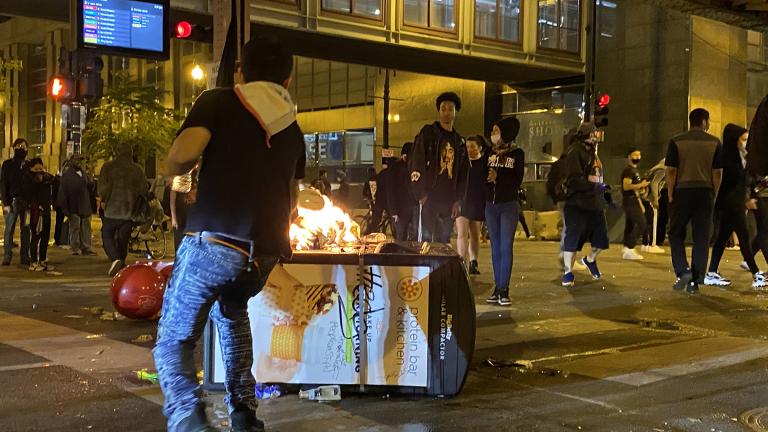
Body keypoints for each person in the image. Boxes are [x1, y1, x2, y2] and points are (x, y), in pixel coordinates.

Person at [153, 35, 306, 432]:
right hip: (265, 254)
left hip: (214, 242)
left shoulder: (217, 101)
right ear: (287, 80)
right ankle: (244, 414)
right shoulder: (293, 129)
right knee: (233, 316)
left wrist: (174, 169)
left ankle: (188, 417)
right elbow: (293, 198)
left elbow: (181, 156)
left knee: (173, 339)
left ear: (241, 71)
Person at [665, 108, 723, 294]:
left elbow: (671, 171)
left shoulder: (676, 141)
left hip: (682, 192)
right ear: (705, 122)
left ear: (691, 121)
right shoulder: (715, 142)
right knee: (701, 237)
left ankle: (683, 271)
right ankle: (695, 281)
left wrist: (671, 194)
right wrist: (714, 193)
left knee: (675, 233)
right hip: (705, 193)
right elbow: (717, 173)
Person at [705, 124, 767, 288]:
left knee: (722, 238)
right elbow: (731, 182)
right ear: (735, 139)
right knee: (744, 238)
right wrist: (745, 200)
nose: (745, 142)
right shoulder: (727, 158)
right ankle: (756, 274)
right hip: (732, 203)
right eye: (743, 139)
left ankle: (711, 273)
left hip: (734, 202)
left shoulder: (740, 156)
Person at [409, 91, 469, 243]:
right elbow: (416, 161)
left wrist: (458, 200)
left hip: (449, 200)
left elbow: (464, 174)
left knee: (444, 242)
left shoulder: (460, 141)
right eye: (443, 109)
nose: (447, 113)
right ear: (439, 111)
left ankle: (442, 268)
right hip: (429, 197)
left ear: (455, 112)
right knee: (426, 242)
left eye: (450, 109)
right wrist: (420, 194)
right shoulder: (429, 133)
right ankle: (426, 268)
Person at [561, 122, 610, 287]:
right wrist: (593, 185)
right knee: (573, 238)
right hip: (577, 203)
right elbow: (574, 179)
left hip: (594, 202)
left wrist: (601, 191)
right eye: (593, 133)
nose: (596, 136)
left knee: (601, 239)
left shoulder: (592, 153)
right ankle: (568, 272)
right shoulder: (575, 151)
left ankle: (590, 260)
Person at [484, 118, 525, 306]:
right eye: (492, 131)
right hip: (490, 206)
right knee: (495, 248)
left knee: (505, 246)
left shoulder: (517, 154)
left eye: (496, 130)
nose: (493, 134)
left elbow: (517, 180)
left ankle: (504, 289)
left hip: (508, 205)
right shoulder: (488, 153)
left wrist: (498, 177)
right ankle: (497, 286)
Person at [98, 144, 149, 276]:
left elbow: (101, 190)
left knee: (107, 235)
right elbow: (144, 189)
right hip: (129, 211)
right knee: (123, 238)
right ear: (131, 153)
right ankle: (121, 263)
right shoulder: (137, 169)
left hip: (111, 210)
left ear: (117, 152)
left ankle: (116, 259)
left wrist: (107, 196)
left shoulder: (108, 167)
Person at [456, 135, 487, 274]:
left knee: (475, 234)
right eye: (467, 147)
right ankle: (462, 262)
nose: (470, 149)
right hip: (463, 201)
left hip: (478, 201)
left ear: (479, 147)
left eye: (473, 146)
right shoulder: (462, 163)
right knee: (462, 233)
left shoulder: (485, 163)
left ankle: (473, 261)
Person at [20, 158, 54, 271]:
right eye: (36, 168)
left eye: (41, 168)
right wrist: (38, 180)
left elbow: (54, 180)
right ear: (31, 168)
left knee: (45, 236)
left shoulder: (44, 176)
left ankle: (42, 259)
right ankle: (33, 262)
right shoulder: (27, 177)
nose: (39, 170)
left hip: (46, 211)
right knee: (35, 236)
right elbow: (27, 193)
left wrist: (46, 178)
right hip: (35, 212)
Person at [58, 155, 96, 257]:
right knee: (75, 227)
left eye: (82, 162)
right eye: (78, 161)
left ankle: (86, 247)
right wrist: (65, 209)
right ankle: (75, 247)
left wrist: (91, 178)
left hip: (84, 205)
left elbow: (90, 188)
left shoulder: (83, 174)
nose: (80, 164)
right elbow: (63, 192)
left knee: (85, 226)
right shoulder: (66, 175)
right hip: (73, 205)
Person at [380, 142, 417, 241]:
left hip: (413, 206)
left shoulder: (413, 167)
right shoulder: (395, 169)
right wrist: (394, 211)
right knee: (401, 236)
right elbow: (390, 191)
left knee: (414, 235)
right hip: (400, 210)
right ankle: (401, 255)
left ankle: (411, 255)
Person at [2, 138, 30, 265]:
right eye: (18, 146)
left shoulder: (29, 165)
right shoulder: (8, 164)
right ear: (13, 148)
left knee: (26, 229)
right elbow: (3, 185)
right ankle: (7, 255)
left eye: (23, 146)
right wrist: (5, 203)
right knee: (9, 229)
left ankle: (25, 256)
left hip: (27, 202)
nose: (21, 148)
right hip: (12, 201)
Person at [621, 148, 650, 260]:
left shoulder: (635, 171)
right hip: (629, 200)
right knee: (642, 224)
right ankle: (630, 247)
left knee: (630, 224)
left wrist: (641, 202)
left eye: (639, 154)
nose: (637, 157)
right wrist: (641, 185)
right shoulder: (628, 171)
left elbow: (636, 189)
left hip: (634, 199)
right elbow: (626, 186)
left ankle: (626, 246)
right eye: (635, 155)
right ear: (629, 156)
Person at [170, 166, 199, 250]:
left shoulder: (195, 179)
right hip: (180, 215)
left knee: (191, 241)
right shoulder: (178, 178)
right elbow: (172, 198)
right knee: (179, 240)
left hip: (192, 215)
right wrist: (174, 217)